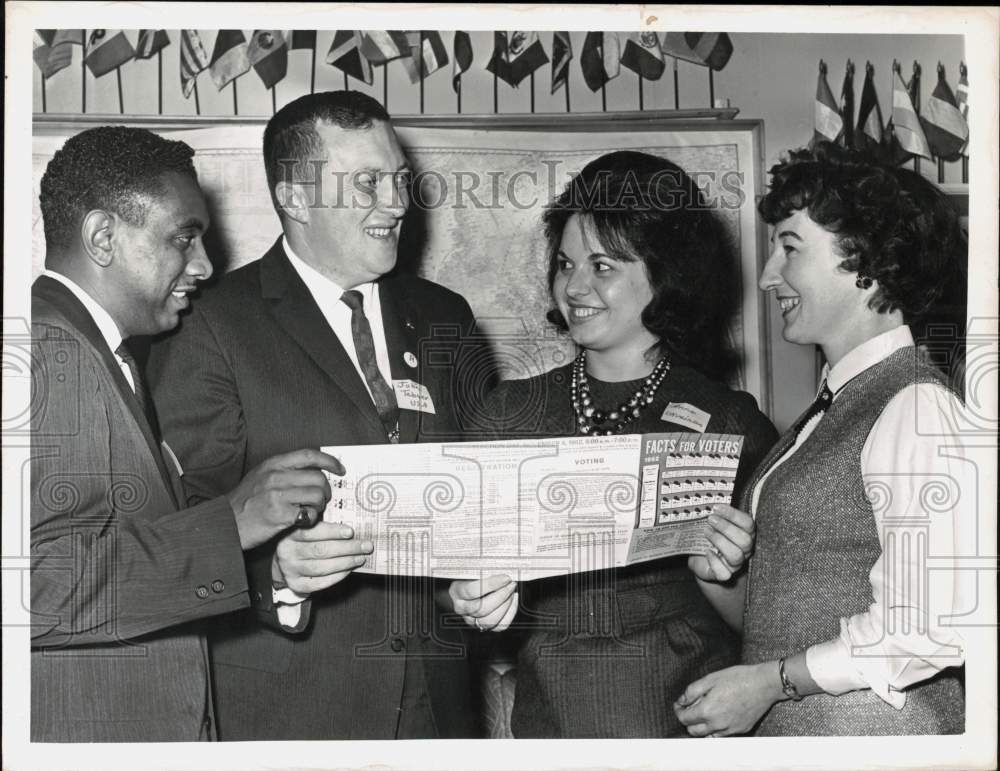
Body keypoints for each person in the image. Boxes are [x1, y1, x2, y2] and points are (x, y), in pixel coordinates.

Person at [148, 91, 495, 740]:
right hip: (294, 715)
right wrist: (275, 573)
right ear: (296, 198)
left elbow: (478, 501)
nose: (395, 204)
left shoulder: (447, 316)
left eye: (398, 179)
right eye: (367, 183)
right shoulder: (211, 325)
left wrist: (483, 583)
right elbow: (176, 533)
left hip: (439, 712)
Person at [447, 151, 779, 738]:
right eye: (566, 263)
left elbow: (768, 622)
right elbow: (452, 592)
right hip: (550, 721)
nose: (575, 285)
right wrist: (466, 600)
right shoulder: (507, 416)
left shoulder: (729, 422)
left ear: (664, 272)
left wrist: (719, 573)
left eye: (602, 266)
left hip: (687, 724)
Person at [30, 126, 342, 742]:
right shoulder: (51, 351)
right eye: (183, 238)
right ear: (102, 237)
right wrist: (230, 521)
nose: (204, 266)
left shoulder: (97, 351)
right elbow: (32, 586)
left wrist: (265, 567)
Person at [674, 142, 970, 737]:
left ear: (867, 262)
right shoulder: (827, 410)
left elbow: (933, 626)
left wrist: (767, 683)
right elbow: (785, 617)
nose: (766, 276)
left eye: (789, 247)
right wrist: (719, 574)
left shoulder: (915, 404)